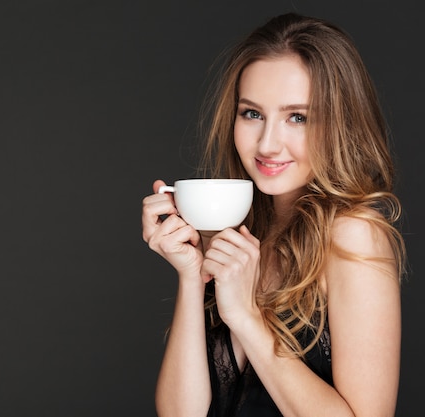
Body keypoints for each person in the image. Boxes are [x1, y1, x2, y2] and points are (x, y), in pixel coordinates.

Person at [141, 12, 407, 417]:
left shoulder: (354, 234)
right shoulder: (242, 232)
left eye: (297, 117)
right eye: (252, 113)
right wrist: (191, 276)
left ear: (339, 124)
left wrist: (247, 319)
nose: (267, 144)